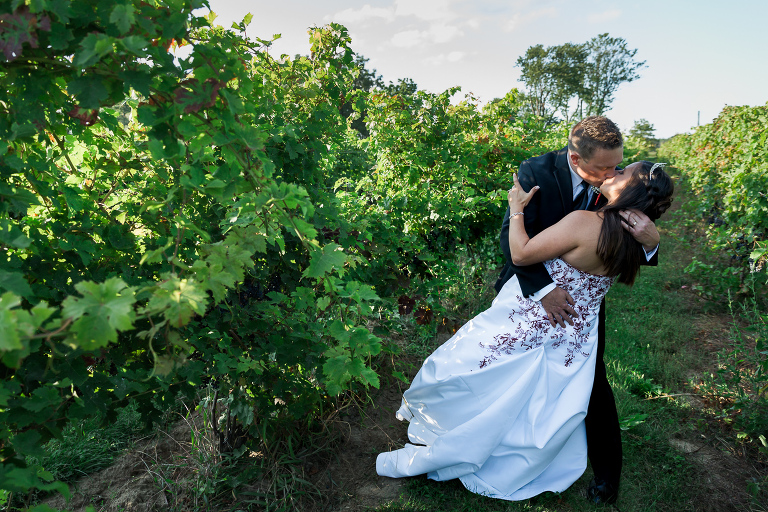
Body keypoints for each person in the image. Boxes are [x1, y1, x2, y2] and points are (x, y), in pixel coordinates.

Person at [376, 160, 674, 501]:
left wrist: (516, 210)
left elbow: (521, 252)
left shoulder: (587, 222)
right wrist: (651, 240)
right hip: (573, 331)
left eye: (622, 172)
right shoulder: (632, 236)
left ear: (632, 192)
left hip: (532, 321)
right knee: (535, 397)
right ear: (578, 157)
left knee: (476, 372)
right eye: (614, 165)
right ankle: (510, 454)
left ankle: (463, 439)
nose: (613, 172)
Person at [495, 116, 660, 504]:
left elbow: (632, 235)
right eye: (602, 168)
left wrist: (653, 244)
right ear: (574, 158)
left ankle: (607, 476)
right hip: (529, 294)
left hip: (584, 309)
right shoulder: (536, 171)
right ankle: (506, 447)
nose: (610, 175)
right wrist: (546, 290)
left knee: (592, 385)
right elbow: (513, 238)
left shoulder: (618, 180)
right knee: (511, 372)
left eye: (617, 166)